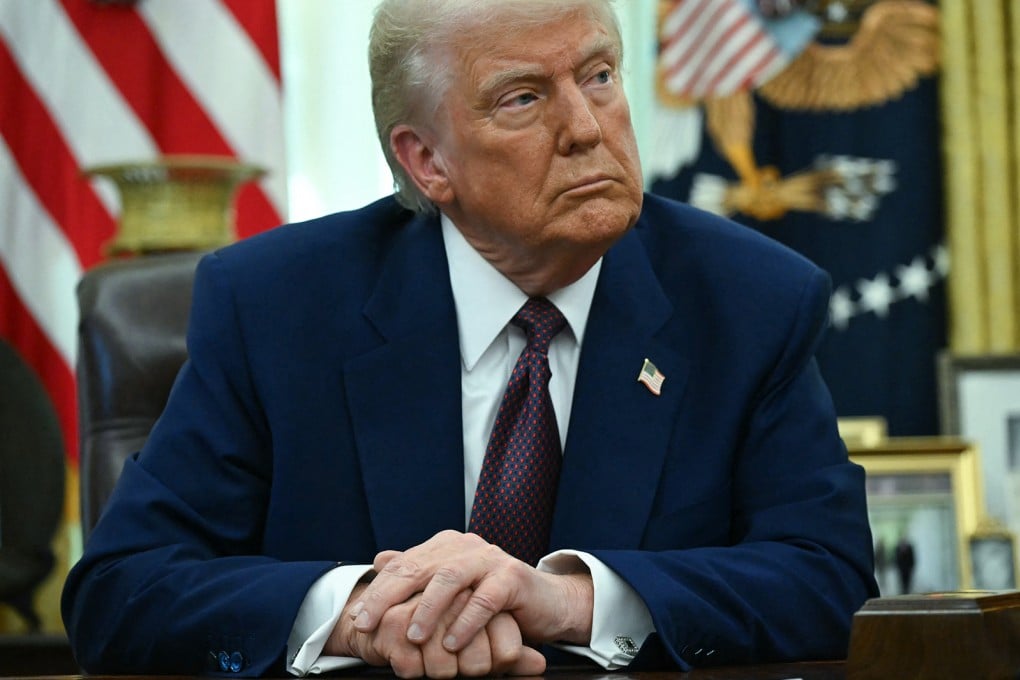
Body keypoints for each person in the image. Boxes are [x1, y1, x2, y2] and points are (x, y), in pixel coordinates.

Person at [61, 0, 878, 676]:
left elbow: (829, 579)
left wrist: (567, 600)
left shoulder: (749, 301)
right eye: (523, 98)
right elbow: (123, 588)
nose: (586, 128)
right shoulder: (276, 306)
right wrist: (361, 614)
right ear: (427, 161)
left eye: (599, 76)